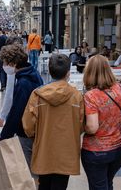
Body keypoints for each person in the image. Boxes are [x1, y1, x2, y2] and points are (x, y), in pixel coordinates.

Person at [22, 54, 84, 190]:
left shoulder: (37, 95)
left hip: (44, 149)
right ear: (68, 73)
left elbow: (28, 126)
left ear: (49, 72)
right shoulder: (76, 96)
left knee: (43, 185)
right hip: (66, 152)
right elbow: (80, 124)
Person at [82, 55, 121, 190]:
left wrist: (80, 126)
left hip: (96, 152)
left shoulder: (91, 96)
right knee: (107, 182)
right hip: (119, 149)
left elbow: (92, 127)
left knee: (98, 185)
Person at [0, 44, 43, 176]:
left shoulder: (23, 83)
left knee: (29, 172)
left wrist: (4, 137)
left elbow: (16, 113)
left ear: (13, 63)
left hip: (26, 132)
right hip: (35, 128)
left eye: (5, 63)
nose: (4, 66)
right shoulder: (33, 73)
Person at [0, 36, 24, 128]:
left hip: (17, 111)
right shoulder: (26, 67)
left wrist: (2, 116)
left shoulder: (12, 69)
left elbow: (9, 95)